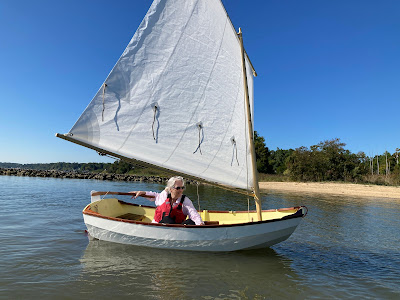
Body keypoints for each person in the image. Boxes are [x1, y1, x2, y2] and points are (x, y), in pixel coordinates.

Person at [131, 176, 204, 225]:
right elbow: (155, 195)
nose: (181, 190)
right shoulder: (164, 196)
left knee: (191, 222)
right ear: (171, 189)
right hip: (158, 228)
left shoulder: (185, 200)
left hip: (177, 230)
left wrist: (200, 223)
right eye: (178, 188)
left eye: (182, 188)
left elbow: (194, 214)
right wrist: (142, 193)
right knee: (167, 219)